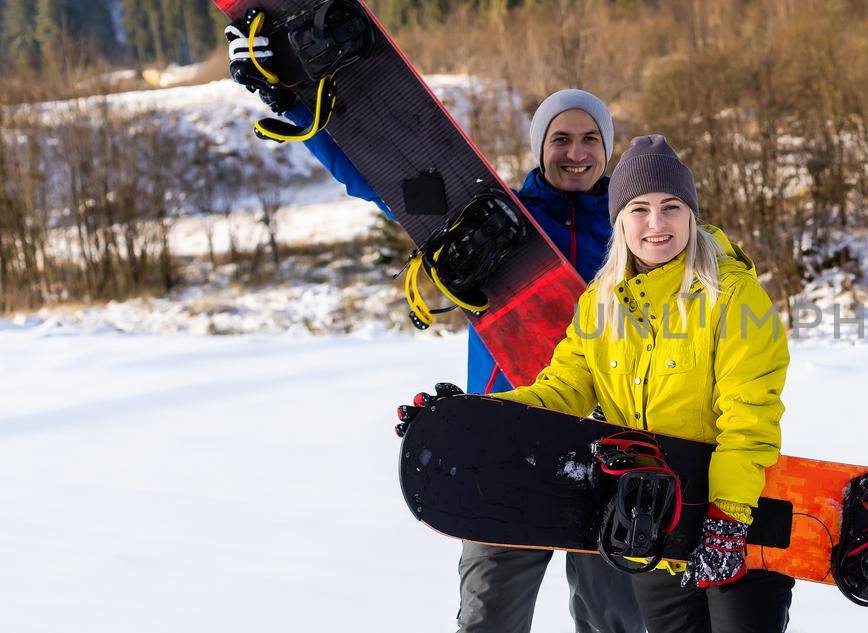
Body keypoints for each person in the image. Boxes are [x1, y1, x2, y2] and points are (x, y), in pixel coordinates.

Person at [222, 16, 645, 633]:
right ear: (541, 147)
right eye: (561, 139)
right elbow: (375, 177)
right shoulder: (498, 217)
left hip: (612, 448)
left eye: (588, 140)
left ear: (606, 150)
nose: (575, 153)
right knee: (488, 621)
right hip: (512, 437)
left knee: (620, 626)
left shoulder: (642, 235)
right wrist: (289, 101)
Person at [493, 134, 794, 633]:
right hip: (652, 523)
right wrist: (478, 414)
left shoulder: (734, 297)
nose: (656, 224)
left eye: (670, 206)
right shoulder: (600, 305)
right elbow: (560, 391)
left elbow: (749, 416)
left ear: (691, 215)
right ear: (620, 221)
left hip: (737, 519)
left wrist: (729, 519)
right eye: (640, 209)